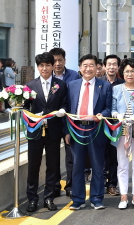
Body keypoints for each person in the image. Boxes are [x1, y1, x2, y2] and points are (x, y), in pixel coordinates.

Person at [67, 54, 113, 210]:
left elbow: (109, 108)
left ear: (97, 68)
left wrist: (103, 115)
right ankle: (78, 199)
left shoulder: (105, 86)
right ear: (80, 68)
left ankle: (97, 198)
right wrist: (66, 131)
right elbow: (67, 110)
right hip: (76, 129)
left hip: (96, 128)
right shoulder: (71, 85)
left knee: (97, 166)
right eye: (85, 65)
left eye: (91, 65)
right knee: (77, 167)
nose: (88, 68)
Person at [24, 52, 68, 213]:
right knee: (33, 166)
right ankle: (32, 199)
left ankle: (49, 198)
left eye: (47, 65)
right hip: (35, 131)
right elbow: (25, 108)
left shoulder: (60, 85)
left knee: (53, 166)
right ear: (38, 67)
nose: (44, 68)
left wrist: (62, 110)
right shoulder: (30, 85)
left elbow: (65, 103)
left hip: (53, 131)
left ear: (52, 66)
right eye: (41, 66)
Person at [111, 59, 134, 210]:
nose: (129, 74)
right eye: (126, 71)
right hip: (121, 130)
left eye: (132, 71)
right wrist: (116, 115)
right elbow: (112, 107)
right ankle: (123, 196)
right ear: (122, 73)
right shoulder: (116, 89)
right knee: (122, 164)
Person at [49, 47, 81, 198]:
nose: (57, 63)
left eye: (60, 60)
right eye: (54, 61)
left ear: (65, 60)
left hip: (70, 120)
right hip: (53, 122)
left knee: (71, 156)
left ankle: (71, 186)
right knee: (53, 156)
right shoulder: (47, 76)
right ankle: (55, 185)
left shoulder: (74, 75)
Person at [101, 55, 125, 197]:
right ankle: (101, 182)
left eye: (114, 64)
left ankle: (112, 184)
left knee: (115, 156)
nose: (111, 67)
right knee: (101, 156)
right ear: (104, 66)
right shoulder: (99, 83)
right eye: (109, 64)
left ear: (118, 67)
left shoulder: (122, 84)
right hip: (101, 125)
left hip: (117, 126)